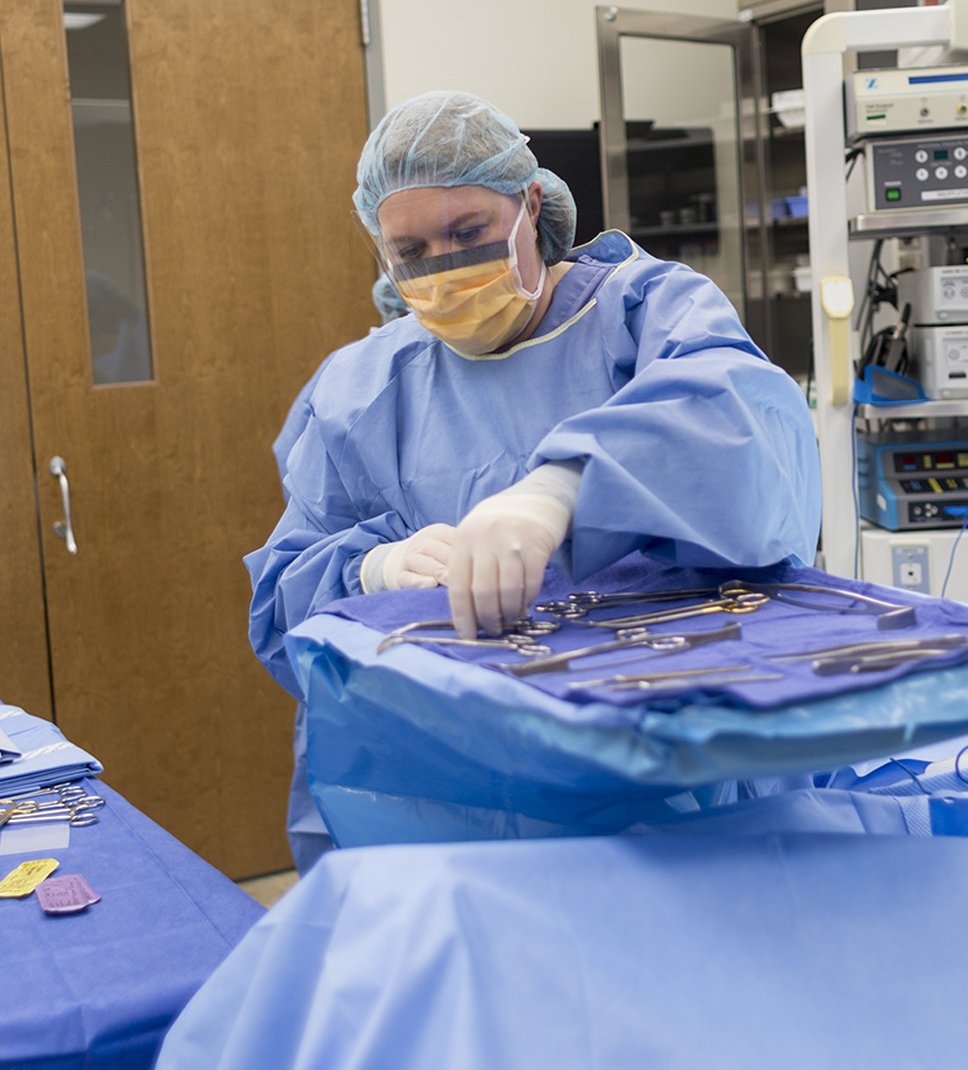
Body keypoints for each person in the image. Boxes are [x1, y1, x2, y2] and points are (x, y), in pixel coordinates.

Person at [245, 90, 822, 868]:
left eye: (470, 231)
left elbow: (747, 433)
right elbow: (288, 598)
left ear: (532, 205)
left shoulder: (645, 314)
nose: (444, 265)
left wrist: (564, 489)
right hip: (450, 798)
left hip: (666, 778)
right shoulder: (360, 390)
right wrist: (370, 569)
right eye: (411, 252)